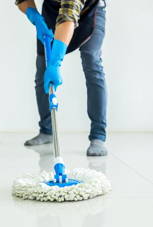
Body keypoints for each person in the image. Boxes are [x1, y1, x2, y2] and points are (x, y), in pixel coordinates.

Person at [16, 0, 108, 156]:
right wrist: (35, 17)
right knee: (42, 70)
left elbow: (67, 17)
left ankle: (98, 136)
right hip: (51, 13)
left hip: (89, 11)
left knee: (92, 62)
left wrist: (56, 63)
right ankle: (47, 130)